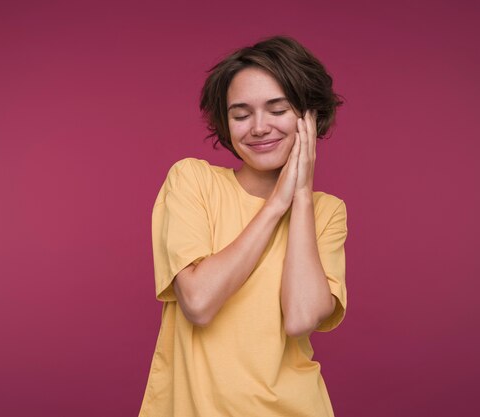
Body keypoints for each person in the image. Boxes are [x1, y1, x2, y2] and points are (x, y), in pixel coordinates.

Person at [139, 35, 348, 417]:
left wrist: (301, 198)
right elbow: (199, 303)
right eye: (241, 114)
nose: (259, 127)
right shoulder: (193, 180)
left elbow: (301, 318)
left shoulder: (327, 212)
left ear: (310, 115)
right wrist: (276, 205)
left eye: (277, 109)